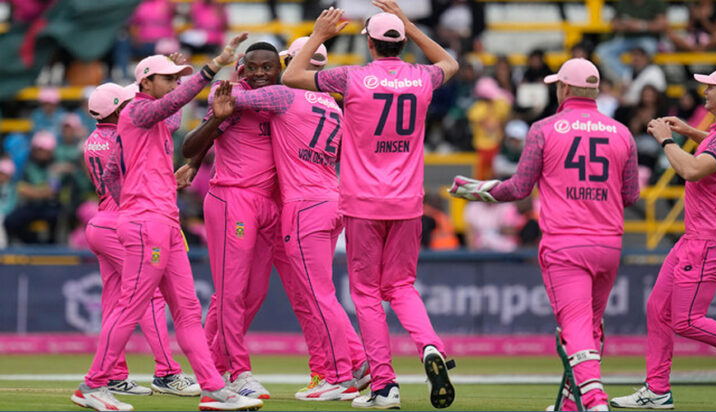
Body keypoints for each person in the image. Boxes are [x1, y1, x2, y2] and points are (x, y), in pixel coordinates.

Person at [71, 33, 265, 412]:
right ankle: (92, 385)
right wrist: (215, 64)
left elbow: (116, 169)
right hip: (148, 222)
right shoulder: (136, 111)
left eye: (178, 78)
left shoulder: (149, 119)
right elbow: (176, 103)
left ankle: (213, 388)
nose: (176, 84)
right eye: (168, 78)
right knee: (131, 307)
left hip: (161, 220)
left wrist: (142, 187)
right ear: (144, 83)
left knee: (188, 311)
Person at [282, 2, 459, 409]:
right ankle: (430, 346)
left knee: (365, 294)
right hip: (408, 203)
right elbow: (449, 61)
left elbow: (292, 76)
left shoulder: (353, 78)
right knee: (401, 287)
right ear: (399, 43)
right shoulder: (422, 77)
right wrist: (410, 26)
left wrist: (319, 36)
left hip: (362, 202)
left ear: (370, 44)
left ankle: (384, 385)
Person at [180, 38, 370, 402]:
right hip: (239, 197)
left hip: (283, 205)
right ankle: (230, 371)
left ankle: (338, 367)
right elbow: (203, 132)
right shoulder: (318, 101)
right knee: (240, 293)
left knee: (297, 292)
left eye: (270, 67)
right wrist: (194, 158)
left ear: (286, 66)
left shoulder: (284, 98)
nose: (262, 74)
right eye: (255, 67)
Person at [449, 58, 640, 411]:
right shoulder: (622, 132)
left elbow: (520, 187)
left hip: (566, 244)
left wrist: (475, 190)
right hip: (609, 243)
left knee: (575, 329)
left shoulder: (544, 129)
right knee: (591, 327)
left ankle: (595, 401)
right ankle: (570, 405)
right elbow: (631, 196)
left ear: (564, 88)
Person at [611, 67, 716, 409]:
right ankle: (657, 390)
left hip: (708, 239)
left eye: (710, 87)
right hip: (699, 237)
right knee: (658, 308)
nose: (704, 91)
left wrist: (667, 140)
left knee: (686, 320)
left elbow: (690, 170)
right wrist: (689, 130)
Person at [81, 82, 200, 398]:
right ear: (120, 108)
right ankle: (167, 372)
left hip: (101, 221)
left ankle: (112, 376)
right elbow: (169, 117)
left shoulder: (94, 139)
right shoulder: (128, 129)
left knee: (116, 301)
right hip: (126, 219)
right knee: (149, 296)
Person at [595, 0, 668, 83]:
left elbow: (663, 25)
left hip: (647, 38)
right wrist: (625, 26)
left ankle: (643, 79)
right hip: (626, 39)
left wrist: (641, 26)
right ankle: (628, 78)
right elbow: (614, 23)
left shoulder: (656, 2)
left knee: (648, 49)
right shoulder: (623, 2)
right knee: (602, 51)